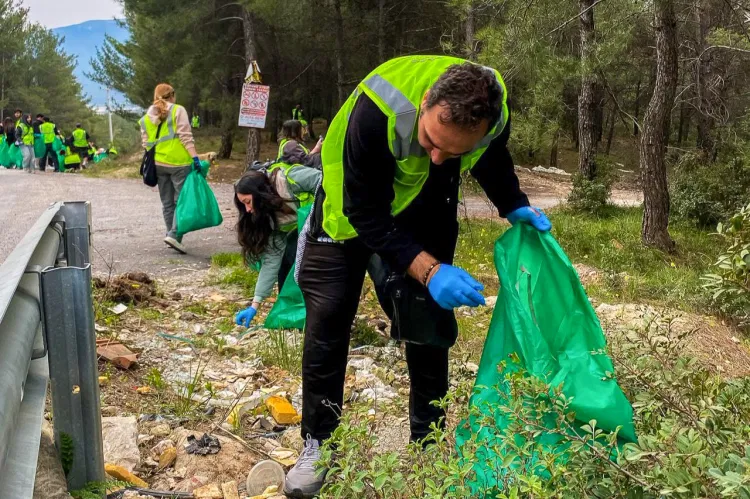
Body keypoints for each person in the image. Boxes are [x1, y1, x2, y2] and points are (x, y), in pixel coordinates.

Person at [283, 56, 552, 498]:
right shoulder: (377, 112)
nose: (438, 156)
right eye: (430, 141)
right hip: (348, 211)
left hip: (424, 203)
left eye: (454, 152)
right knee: (329, 316)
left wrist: (513, 203)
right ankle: (320, 442)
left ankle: (429, 442)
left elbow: (491, 156)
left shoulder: (493, 112)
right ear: (426, 102)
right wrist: (429, 269)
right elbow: (366, 214)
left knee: (428, 317)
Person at [233, 166, 321, 328]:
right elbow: (271, 260)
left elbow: (326, 182)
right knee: (286, 261)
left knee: (296, 253)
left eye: (248, 202)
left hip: (330, 229)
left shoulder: (291, 179)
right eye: (243, 205)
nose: (248, 210)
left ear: (259, 193)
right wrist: (255, 305)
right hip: (307, 234)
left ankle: (319, 313)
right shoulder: (270, 218)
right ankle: (294, 313)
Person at [139, 83, 202, 254]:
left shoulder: (146, 117)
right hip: (179, 163)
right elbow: (185, 136)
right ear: (172, 95)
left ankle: (170, 235)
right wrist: (195, 157)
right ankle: (174, 235)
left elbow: (146, 143)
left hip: (158, 164)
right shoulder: (178, 110)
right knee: (181, 201)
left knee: (167, 203)